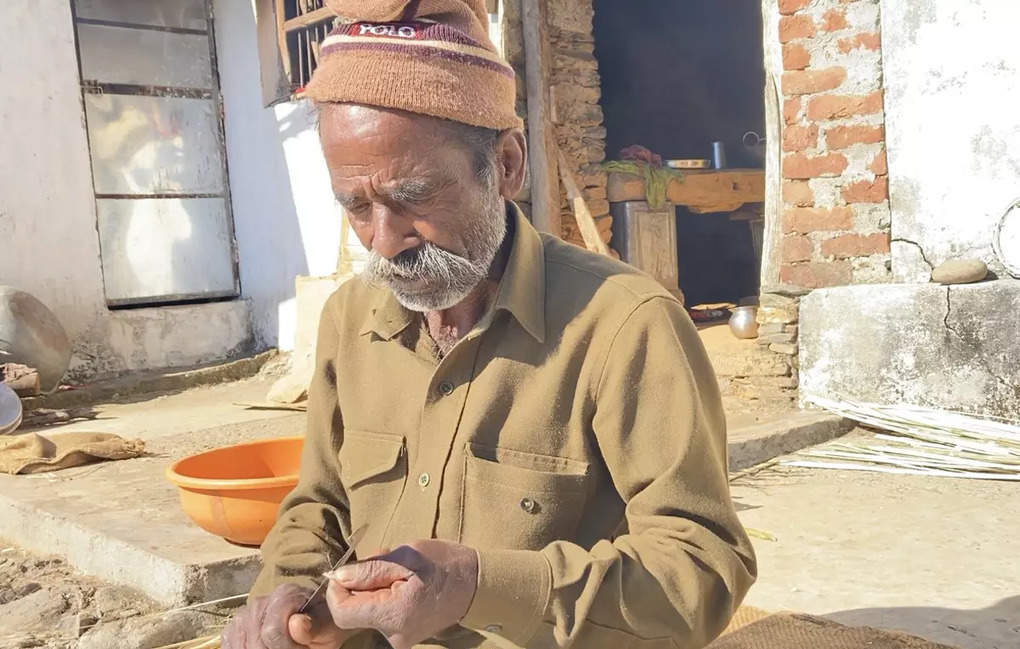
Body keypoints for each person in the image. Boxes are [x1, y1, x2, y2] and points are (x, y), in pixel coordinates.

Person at [222, 1, 756, 647]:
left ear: (505, 164)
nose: (384, 243)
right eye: (356, 206)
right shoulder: (348, 320)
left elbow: (702, 571)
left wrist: (480, 586)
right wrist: (284, 590)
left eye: (413, 196)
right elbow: (320, 506)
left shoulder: (625, 325)